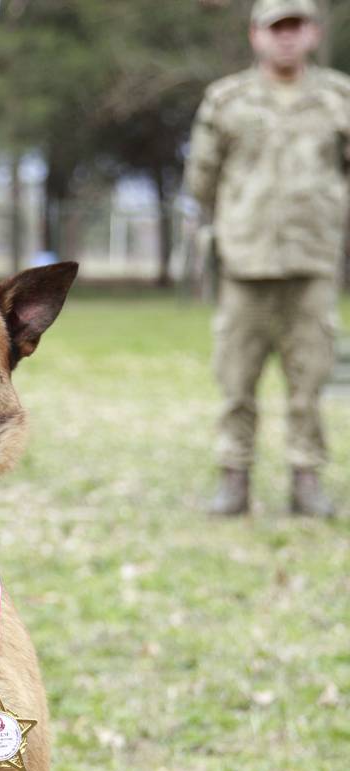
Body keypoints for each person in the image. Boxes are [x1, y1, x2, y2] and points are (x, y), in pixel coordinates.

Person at [186, 0, 349, 517]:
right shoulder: (227, 100)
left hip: (313, 260)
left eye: (296, 26)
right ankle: (234, 479)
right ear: (256, 35)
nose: (286, 36)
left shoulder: (340, 98)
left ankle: (307, 480)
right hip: (246, 263)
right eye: (277, 27)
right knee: (236, 380)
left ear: (314, 34)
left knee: (310, 379)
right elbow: (202, 180)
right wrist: (237, 224)